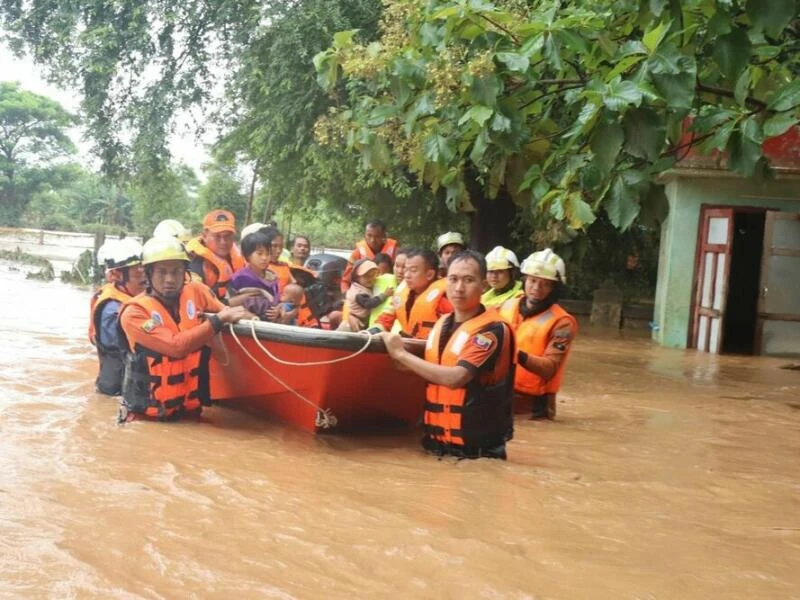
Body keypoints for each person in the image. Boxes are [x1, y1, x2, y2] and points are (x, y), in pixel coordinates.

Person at [382, 250, 515, 459]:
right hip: (436, 446)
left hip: (476, 454)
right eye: (453, 279)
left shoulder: (492, 330)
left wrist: (400, 354)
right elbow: (414, 367)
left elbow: (455, 378)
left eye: (468, 280)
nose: (459, 288)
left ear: (483, 285)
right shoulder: (442, 323)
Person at [118, 237, 252, 421]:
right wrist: (217, 322)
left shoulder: (196, 291)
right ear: (148, 274)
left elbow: (226, 310)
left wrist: (251, 318)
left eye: (176, 272)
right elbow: (176, 347)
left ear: (185, 272)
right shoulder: (134, 313)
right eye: (161, 272)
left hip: (189, 412)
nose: (170, 280)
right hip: (148, 419)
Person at [498, 249, 577, 420]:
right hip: (500, 395)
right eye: (532, 281)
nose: (536, 288)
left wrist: (515, 353)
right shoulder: (506, 306)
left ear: (554, 288)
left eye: (545, 284)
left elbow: (549, 368)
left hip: (535, 405)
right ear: (525, 280)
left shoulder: (563, 322)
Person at [89, 238, 147, 395]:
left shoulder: (132, 298)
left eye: (144, 268)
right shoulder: (112, 309)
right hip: (116, 389)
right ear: (117, 274)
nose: (144, 275)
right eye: (137, 270)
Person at [371, 249, 452, 340]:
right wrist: (373, 331)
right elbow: (385, 319)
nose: (406, 275)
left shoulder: (445, 298)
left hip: (432, 349)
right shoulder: (401, 294)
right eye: (406, 270)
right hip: (407, 346)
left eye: (413, 271)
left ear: (430, 274)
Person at [186, 209, 246, 301]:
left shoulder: (235, 256)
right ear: (205, 236)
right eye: (217, 236)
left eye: (228, 236)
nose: (223, 242)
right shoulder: (195, 263)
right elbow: (197, 302)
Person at [230, 230, 280, 320]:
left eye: (268, 254)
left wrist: (278, 310)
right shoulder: (240, 278)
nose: (264, 258)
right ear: (248, 255)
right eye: (259, 254)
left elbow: (277, 301)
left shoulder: (272, 277)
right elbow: (229, 304)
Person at [341, 219, 398, 291]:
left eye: (377, 236)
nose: (372, 240)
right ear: (365, 235)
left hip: (388, 293)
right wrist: (346, 298)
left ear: (384, 235)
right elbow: (346, 281)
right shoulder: (357, 253)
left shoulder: (395, 251)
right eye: (369, 235)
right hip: (363, 296)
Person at [338, 259, 394, 332]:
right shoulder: (359, 293)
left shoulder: (365, 286)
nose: (371, 279)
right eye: (366, 276)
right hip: (353, 323)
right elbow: (369, 303)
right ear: (357, 277)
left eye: (373, 275)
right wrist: (384, 295)